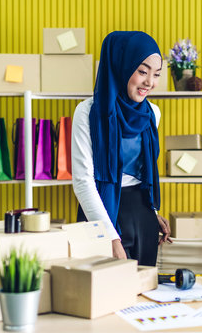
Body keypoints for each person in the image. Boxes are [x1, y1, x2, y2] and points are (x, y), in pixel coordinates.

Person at [71, 31, 171, 266]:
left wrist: (153, 212)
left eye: (156, 74)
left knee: (144, 295)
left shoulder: (151, 113)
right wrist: (110, 236)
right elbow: (83, 182)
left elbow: (144, 174)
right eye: (142, 71)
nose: (150, 82)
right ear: (121, 67)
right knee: (103, 296)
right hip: (102, 215)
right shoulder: (88, 113)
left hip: (142, 216)